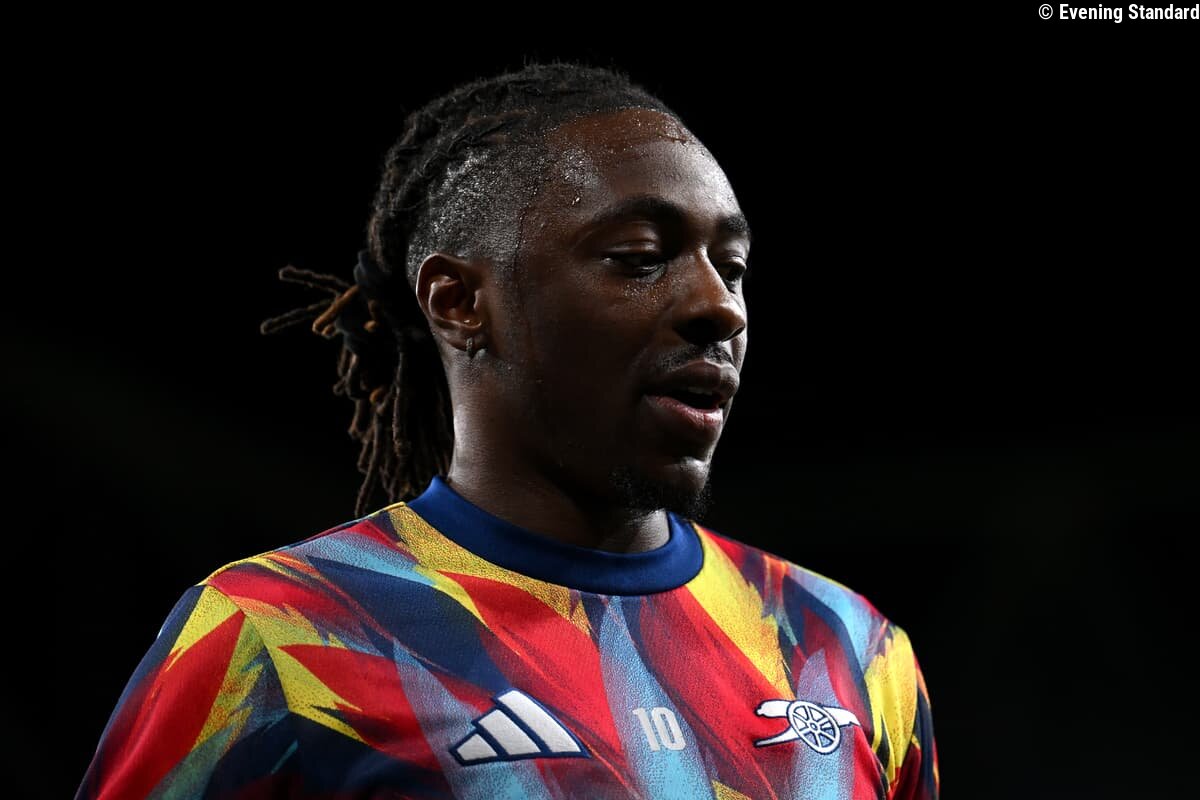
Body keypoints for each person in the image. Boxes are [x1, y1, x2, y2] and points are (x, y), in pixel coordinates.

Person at [77, 60, 939, 800]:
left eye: (734, 267)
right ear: (459, 302)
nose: (720, 307)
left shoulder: (851, 649)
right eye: (640, 258)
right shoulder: (275, 635)